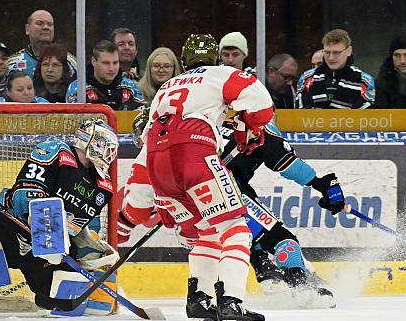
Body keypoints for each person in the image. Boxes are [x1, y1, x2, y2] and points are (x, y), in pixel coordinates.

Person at [120, 109, 342, 308]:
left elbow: (143, 202)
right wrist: (322, 184)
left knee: (230, 239)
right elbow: (287, 164)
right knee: (279, 238)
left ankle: (263, 274)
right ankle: (300, 285)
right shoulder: (244, 125)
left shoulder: (171, 144)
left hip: (190, 202)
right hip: (223, 189)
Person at [141, 33, 274, 321]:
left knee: (207, 232)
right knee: (236, 228)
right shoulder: (221, 74)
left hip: (157, 162)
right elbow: (262, 103)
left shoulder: (166, 86)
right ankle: (232, 306)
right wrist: (249, 128)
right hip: (193, 152)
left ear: (184, 61)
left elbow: (147, 138)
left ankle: (199, 309)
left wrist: (161, 196)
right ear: (215, 58)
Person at [0, 118, 119, 311]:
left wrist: (89, 247)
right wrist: (46, 226)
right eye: (106, 144)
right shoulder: (56, 151)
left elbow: (87, 226)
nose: (110, 152)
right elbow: (25, 193)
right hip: (7, 226)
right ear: (90, 140)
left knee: (65, 298)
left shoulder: (103, 186)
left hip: (46, 251)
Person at [296, 29, 375, 109]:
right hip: (313, 121)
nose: (331, 58)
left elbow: (365, 118)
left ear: (349, 51)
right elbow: (300, 116)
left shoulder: (364, 81)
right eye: (327, 52)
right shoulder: (307, 78)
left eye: (336, 53)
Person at [66, 40, 143, 110]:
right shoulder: (78, 88)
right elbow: (75, 120)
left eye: (115, 63)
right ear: (94, 61)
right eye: (106, 63)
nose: (111, 68)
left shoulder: (130, 86)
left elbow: (141, 117)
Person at [8, 9, 77, 78]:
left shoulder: (69, 62)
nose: (46, 27)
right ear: (27, 29)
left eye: (50, 24)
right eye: (40, 23)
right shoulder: (11, 64)